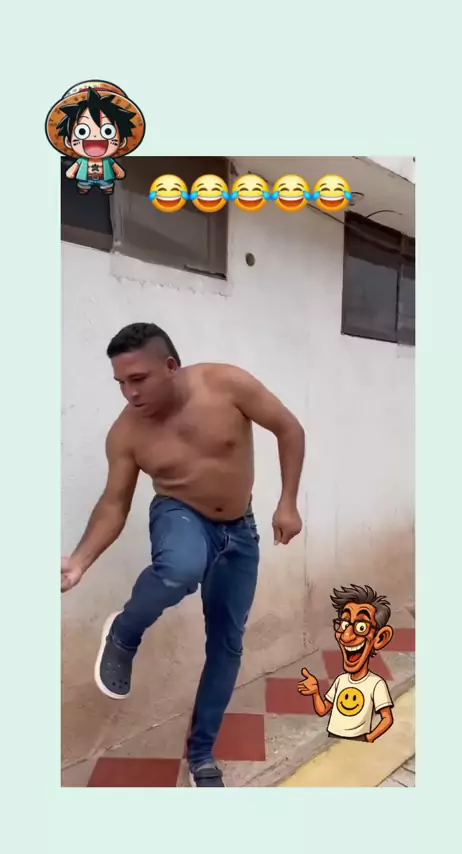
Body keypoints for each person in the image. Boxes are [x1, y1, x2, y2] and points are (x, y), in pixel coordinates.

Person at [62, 322, 305, 787]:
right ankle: (124, 633)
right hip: (181, 514)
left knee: (227, 646)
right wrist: (79, 562)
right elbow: (113, 504)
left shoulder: (226, 384)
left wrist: (288, 502)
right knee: (180, 568)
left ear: (171, 366)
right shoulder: (126, 433)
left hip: (241, 530)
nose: (130, 393)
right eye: (120, 383)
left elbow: (288, 428)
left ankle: (201, 755)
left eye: (138, 379)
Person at [297, 585, 394, 742]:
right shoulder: (341, 680)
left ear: (380, 638)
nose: (346, 636)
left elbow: (387, 718)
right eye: (344, 624)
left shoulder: (376, 684)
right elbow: (322, 710)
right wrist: (315, 692)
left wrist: (368, 738)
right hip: (333, 740)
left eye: (361, 627)